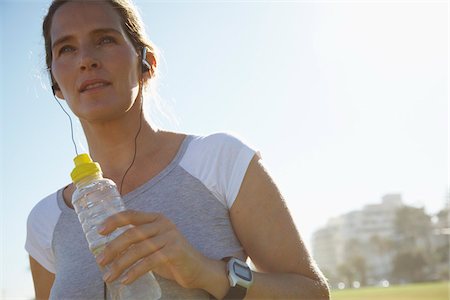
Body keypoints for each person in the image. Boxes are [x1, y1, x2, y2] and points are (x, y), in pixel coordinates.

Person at [25, 0, 330, 299]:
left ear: (146, 63)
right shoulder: (45, 220)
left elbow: (314, 294)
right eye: (66, 48)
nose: (86, 59)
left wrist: (207, 273)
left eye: (105, 39)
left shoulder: (220, 161)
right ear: (56, 83)